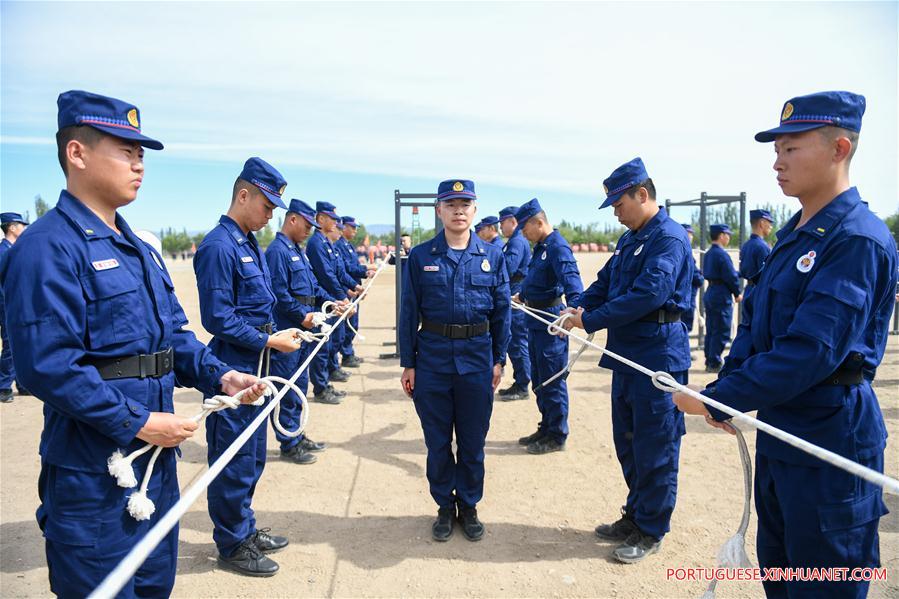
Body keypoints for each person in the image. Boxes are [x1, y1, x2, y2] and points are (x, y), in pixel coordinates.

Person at [0, 90, 266, 597]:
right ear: (77, 154)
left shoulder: (138, 250)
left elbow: (173, 336)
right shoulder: (45, 248)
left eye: (141, 154)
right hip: (93, 473)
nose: (139, 163)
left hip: (154, 468)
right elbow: (46, 367)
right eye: (125, 150)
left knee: (153, 586)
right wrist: (140, 423)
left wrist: (220, 375)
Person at [675, 90, 896, 599]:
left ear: (839, 148)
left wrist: (718, 398)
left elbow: (811, 351)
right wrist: (727, 386)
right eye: (776, 150)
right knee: (782, 572)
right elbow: (753, 326)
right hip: (781, 428)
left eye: (791, 149)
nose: (777, 162)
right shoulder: (795, 236)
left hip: (829, 434)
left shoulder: (855, 239)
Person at [561, 157, 692, 563]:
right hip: (628, 354)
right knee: (630, 442)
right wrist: (578, 307)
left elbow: (648, 295)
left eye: (619, 205)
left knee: (656, 446)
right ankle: (635, 514)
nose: (616, 213)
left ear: (643, 194)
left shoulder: (667, 237)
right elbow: (605, 282)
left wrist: (592, 320)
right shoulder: (631, 238)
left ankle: (651, 529)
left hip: (658, 356)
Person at [194, 157, 301, 577]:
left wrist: (276, 338)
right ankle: (232, 543)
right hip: (233, 366)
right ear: (243, 195)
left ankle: (245, 528)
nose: (271, 214)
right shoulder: (219, 245)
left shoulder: (246, 242)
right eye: (267, 206)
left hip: (256, 362)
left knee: (253, 456)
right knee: (232, 459)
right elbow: (217, 317)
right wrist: (268, 339)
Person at [398, 179, 510, 542]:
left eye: (465, 203)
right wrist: (408, 362)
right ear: (439, 211)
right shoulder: (421, 256)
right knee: (437, 442)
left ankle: (470, 505)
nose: (458, 210)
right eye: (451, 204)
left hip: (477, 360)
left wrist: (499, 360)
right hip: (432, 360)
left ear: (474, 210)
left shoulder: (492, 256)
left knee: (474, 440)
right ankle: (445, 507)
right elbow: (408, 311)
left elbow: (503, 313)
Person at [264, 199, 336, 465]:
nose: (309, 230)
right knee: (288, 386)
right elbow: (279, 295)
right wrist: (302, 316)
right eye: (307, 225)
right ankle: (288, 442)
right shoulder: (277, 252)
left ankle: (297, 433)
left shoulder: (297, 250)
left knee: (300, 384)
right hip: (289, 330)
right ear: (292, 219)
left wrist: (332, 301)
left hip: (304, 327)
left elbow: (314, 287)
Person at [515, 198, 583, 454]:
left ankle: (557, 434)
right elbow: (536, 279)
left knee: (553, 379)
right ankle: (546, 426)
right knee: (539, 379)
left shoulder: (557, 247)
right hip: (535, 319)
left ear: (538, 222)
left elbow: (571, 280)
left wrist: (574, 311)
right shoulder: (541, 247)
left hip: (550, 321)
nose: (523, 233)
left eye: (525, 227)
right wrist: (521, 296)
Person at [305, 201, 360, 403]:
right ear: (321, 219)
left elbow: (338, 272)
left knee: (329, 344)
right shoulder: (316, 243)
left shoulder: (326, 243)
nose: (337, 223)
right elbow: (327, 275)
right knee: (321, 348)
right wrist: (342, 296)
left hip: (330, 300)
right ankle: (320, 388)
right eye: (333, 219)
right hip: (323, 303)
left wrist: (350, 287)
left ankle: (325, 382)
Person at [496, 205, 531, 401]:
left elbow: (508, 268)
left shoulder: (517, 242)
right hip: (512, 293)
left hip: (515, 295)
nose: (501, 227)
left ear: (513, 221)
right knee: (513, 341)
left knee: (517, 342)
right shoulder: (514, 241)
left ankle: (523, 385)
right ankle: (519, 381)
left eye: (503, 223)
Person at [701, 223, 741, 372]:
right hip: (721, 293)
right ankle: (714, 361)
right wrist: (737, 293)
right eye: (727, 234)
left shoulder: (710, 253)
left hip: (711, 291)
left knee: (711, 328)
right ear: (722, 235)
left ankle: (709, 359)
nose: (729, 237)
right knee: (722, 329)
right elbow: (730, 276)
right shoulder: (722, 254)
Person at [337, 216, 375, 368]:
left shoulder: (349, 246)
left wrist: (364, 272)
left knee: (353, 324)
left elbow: (353, 266)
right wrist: (366, 270)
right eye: (352, 227)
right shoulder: (340, 245)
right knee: (346, 326)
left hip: (353, 288)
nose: (354, 230)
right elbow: (347, 269)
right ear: (344, 227)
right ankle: (346, 355)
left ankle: (349, 353)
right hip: (346, 290)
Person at [0, 211, 29, 403]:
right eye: (21, 225)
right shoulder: (4, 251)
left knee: (20, 342)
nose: (24, 228)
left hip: (16, 302)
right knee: (10, 344)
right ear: (11, 227)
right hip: (6, 303)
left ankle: (21, 383)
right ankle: (3, 387)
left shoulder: (14, 248)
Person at [739, 209, 774, 290]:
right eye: (769, 222)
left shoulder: (746, 245)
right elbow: (766, 276)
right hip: (759, 290)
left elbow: (743, 272)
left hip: (748, 289)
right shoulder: (762, 247)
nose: (771, 227)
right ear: (762, 223)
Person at [681, 224, 704, 343]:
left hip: (685, 296)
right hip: (687, 297)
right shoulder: (686, 251)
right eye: (689, 234)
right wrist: (700, 276)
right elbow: (696, 277)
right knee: (684, 327)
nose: (691, 237)